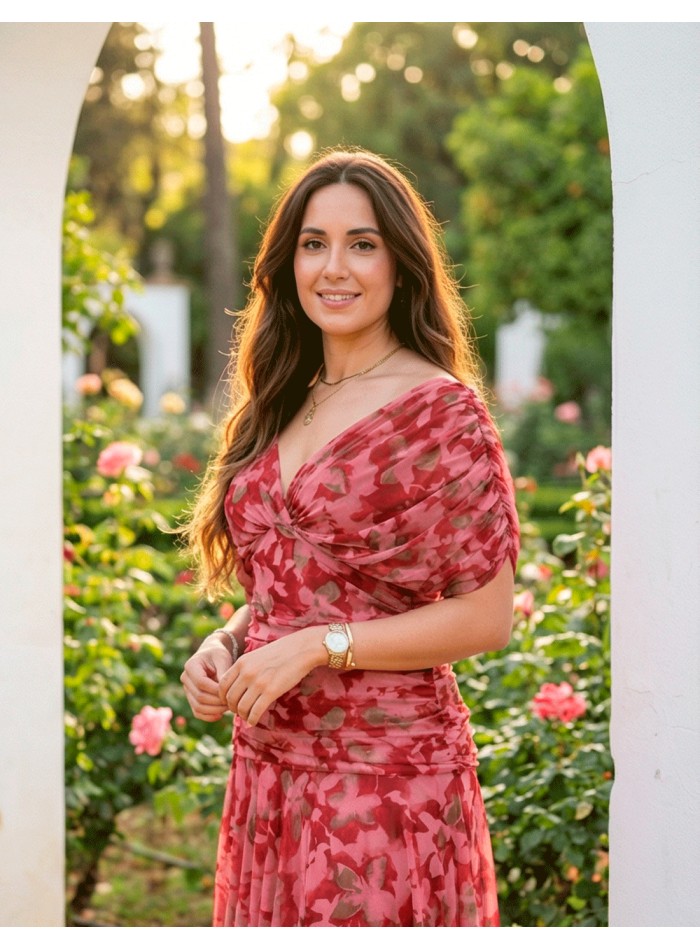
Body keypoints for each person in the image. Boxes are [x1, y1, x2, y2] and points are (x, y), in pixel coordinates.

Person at [180, 148, 519, 927]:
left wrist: (314, 647)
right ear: (286, 263)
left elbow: (485, 617)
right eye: (313, 243)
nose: (334, 267)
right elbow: (286, 587)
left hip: (386, 780)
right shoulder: (285, 394)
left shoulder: (440, 412)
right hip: (271, 770)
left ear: (402, 264)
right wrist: (228, 642)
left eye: (361, 243)